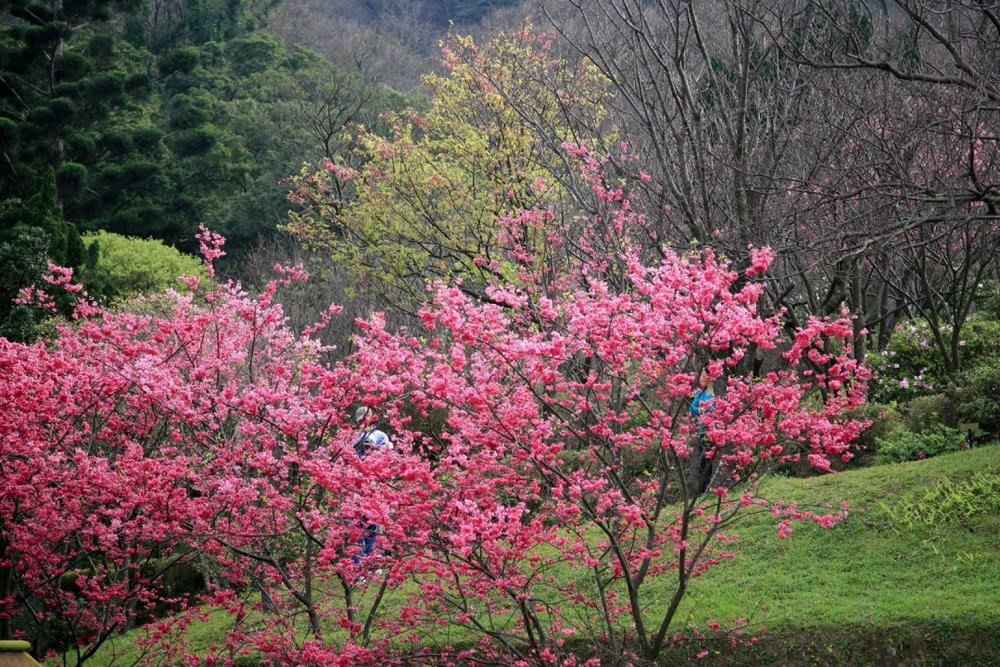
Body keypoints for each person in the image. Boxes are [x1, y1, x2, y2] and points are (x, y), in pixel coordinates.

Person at [351, 406, 392, 568]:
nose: (365, 422)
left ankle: (371, 562)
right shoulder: (355, 437)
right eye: (363, 419)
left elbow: (388, 454)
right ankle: (357, 564)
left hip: (374, 486)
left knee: (372, 525)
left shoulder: (379, 435)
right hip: (357, 487)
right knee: (358, 526)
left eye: (367, 418)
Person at [688, 371, 716, 494]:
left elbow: (713, 408)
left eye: (703, 374)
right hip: (702, 432)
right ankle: (704, 491)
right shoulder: (700, 393)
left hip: (715, 432)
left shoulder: (718, 392)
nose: (700, 377)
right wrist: (701, 409)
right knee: (703, 463)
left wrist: (705, 410)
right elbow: (691, 409)